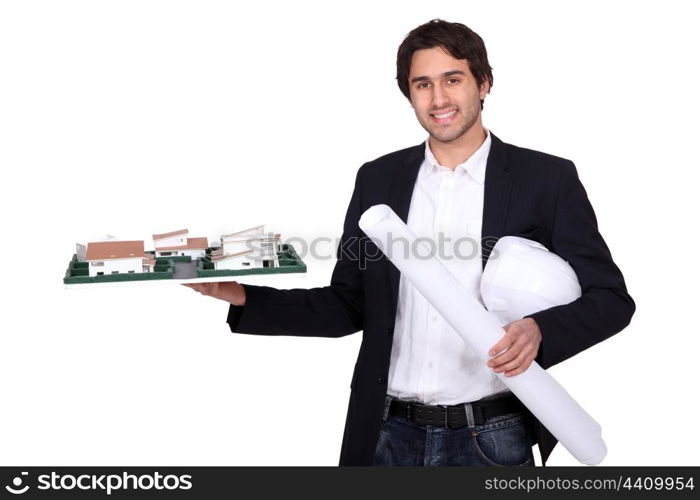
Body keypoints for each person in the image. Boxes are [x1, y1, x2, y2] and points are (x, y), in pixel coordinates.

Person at [185, 19, 635, 466]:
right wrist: (240, 295)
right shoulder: (378, 179)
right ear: (409, 94)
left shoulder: (546, 179)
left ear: (484, 83)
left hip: (492, 436)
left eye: (452, 80)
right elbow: (349, 303)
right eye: (423, 84)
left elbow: (611, 300)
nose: (438, 99)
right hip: (385, 434)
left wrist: (540, 331)